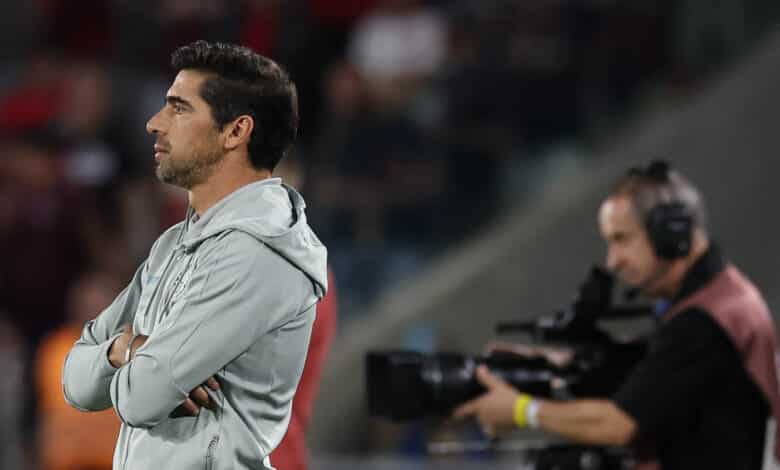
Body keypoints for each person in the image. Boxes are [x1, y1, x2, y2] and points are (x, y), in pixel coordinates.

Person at [62, 40, 328, 470]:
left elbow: (140, 399)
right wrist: (125, 350)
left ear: (236, 131)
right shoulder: (173, 243)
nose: (154, 123)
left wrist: (133, 360)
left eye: (179, 109)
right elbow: (75, 381)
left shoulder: (259, 253)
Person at [454, 160, 780, 469]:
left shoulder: (704, 320)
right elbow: (655, 371)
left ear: (672, 234)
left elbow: (617, 425)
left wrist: (521, 410)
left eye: (622, 240)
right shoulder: (725, 296)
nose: (613, 261)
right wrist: (555, 365)